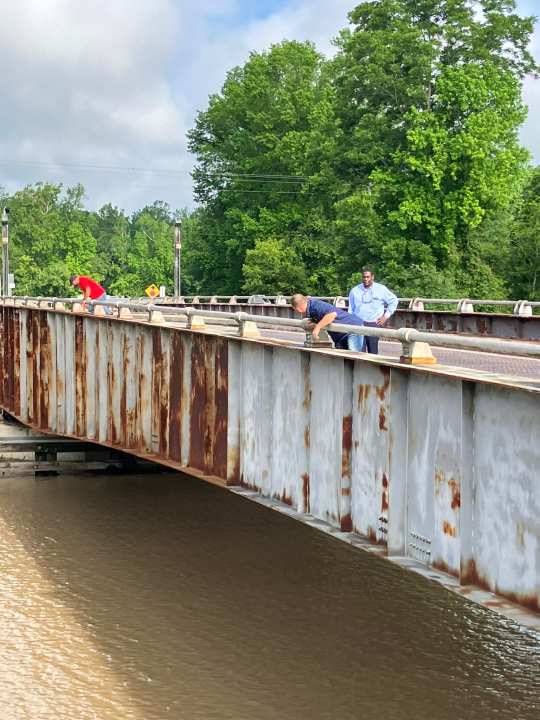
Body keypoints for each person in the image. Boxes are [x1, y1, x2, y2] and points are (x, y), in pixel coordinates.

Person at [348, 267, 398, 354]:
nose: (365, 279)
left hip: (374, 323)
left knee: (373, 352)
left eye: (368, 277)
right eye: (364, 277)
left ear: (372, 277)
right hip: (358, 323)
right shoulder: (354, 291)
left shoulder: (381, 289)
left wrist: (386, 316)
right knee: (358, 351)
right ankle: (360, 367)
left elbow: (394, 301)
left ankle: (373, 367)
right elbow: (351, 309)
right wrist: (351, 322)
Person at [290, 294, 364, 350]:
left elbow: (332, 314)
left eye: (295, 309)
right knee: (342, 359)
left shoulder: (315, 305)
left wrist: (317, 328)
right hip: (340, 335)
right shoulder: (310, 309)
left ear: (297, 308)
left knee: (354, 357)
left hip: (352, 329)